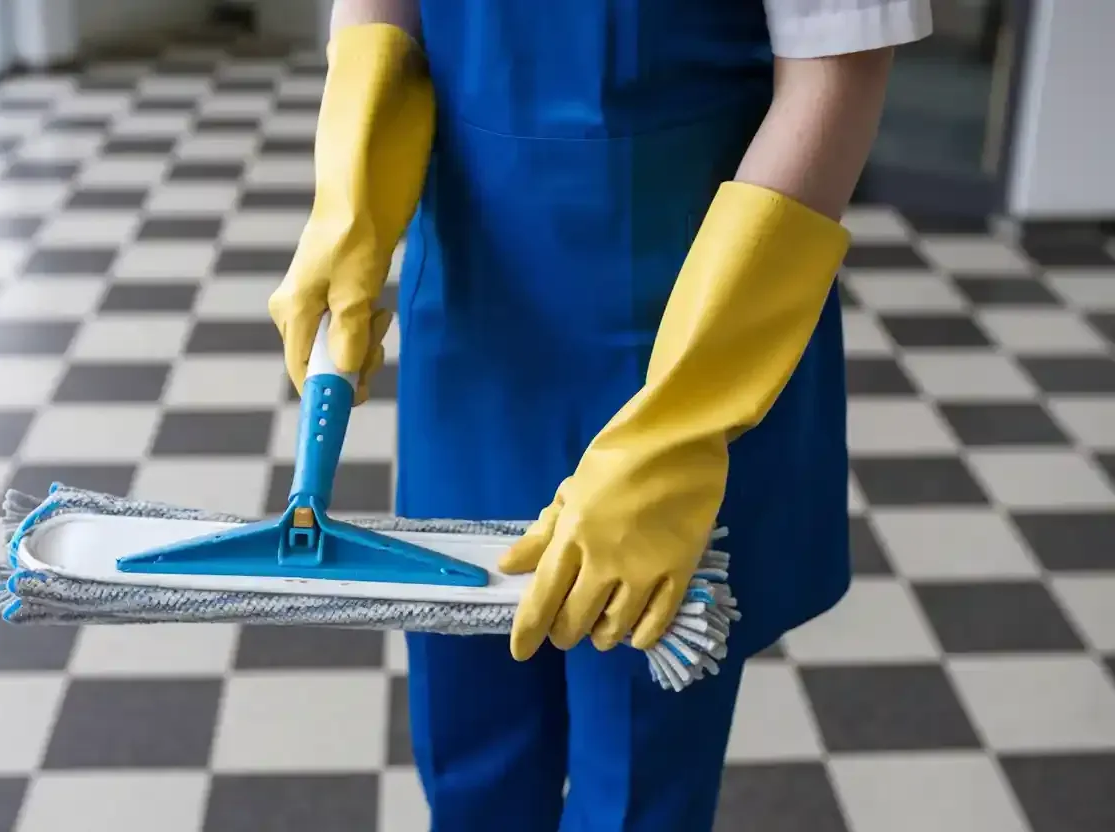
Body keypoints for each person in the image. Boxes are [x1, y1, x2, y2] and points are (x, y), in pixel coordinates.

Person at [270, 0, 932, 829]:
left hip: (688, 328)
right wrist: (353, 195)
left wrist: (681, 423)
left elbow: (839, 71)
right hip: (480, 327)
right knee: (469, 733)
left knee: (640, 770)